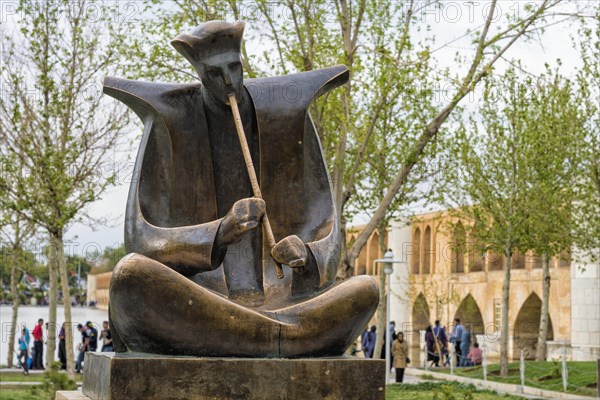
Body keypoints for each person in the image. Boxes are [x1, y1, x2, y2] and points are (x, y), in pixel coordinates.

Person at [103, 20, 378, 358]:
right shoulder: (169, 120)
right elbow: (141, 242)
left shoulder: (285, 115)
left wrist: (307, 256)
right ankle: (283, 339)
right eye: (216, 74)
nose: (230, 81)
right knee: (131, 277)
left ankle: (249, 336)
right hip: (202, 298)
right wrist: (220, 232)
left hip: (278, 301)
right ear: (201, 76)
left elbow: (327, 232)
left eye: (235, 68)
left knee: (366, 289)